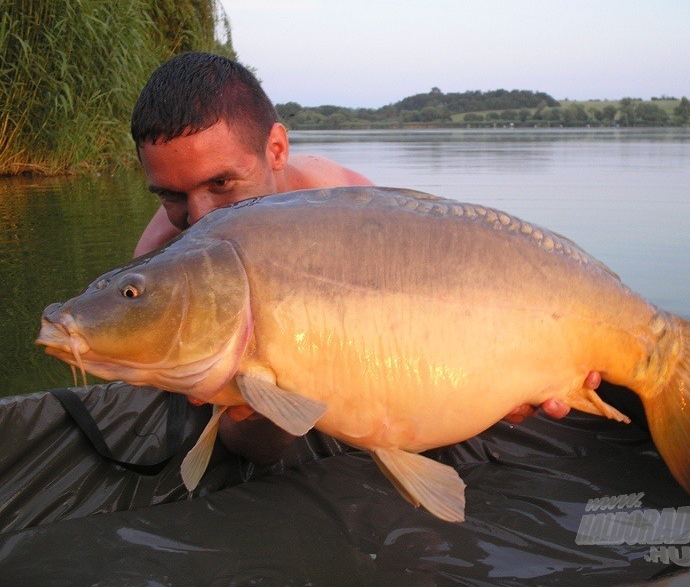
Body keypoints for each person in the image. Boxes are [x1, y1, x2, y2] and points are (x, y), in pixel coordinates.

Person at [130, 52, 598, 465]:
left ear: (276, 149)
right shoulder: (164, 258)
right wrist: (258, 403)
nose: (199, 216)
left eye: (222, 184)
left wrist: (497, 385)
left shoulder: (355, 209)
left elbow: (424, 333)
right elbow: (249, 449)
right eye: (172, 195)